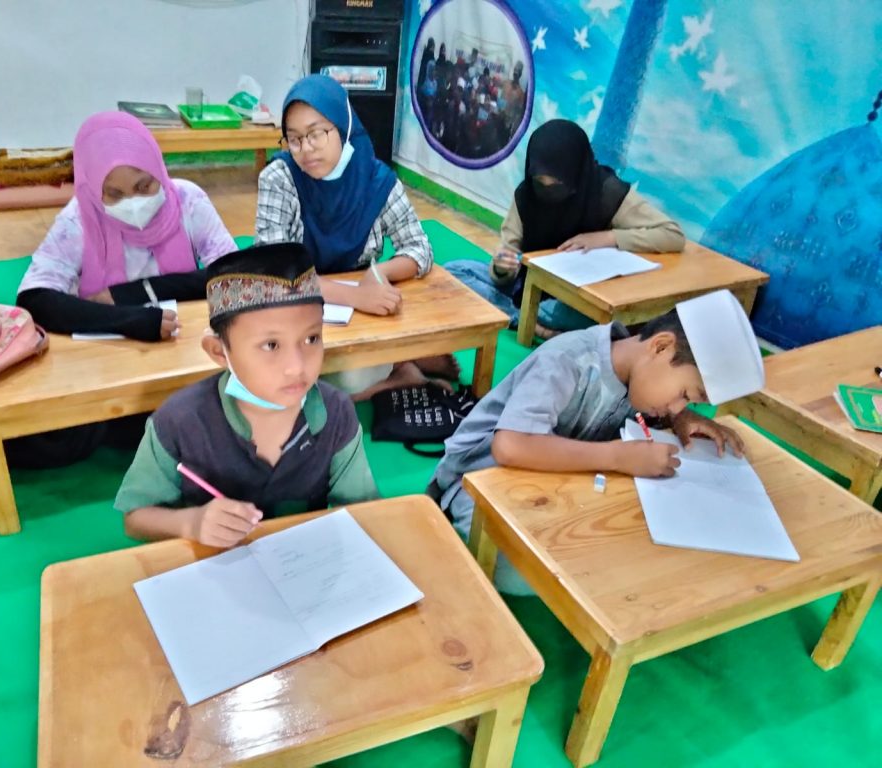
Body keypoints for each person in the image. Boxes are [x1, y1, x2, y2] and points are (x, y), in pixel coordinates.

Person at [427, 289, 765, 594]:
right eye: (685, 394)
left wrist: (681, 418)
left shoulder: (643, 376)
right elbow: (510, 446)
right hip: (479, 479)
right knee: (522, 573)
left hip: (556, 484)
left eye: (690, 402)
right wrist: (617, 457)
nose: (678, 406)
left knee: (623, 545)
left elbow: (657, 405)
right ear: (661, 346)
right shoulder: (568, 359)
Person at [115, 242, 380, 545]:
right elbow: (136, 517)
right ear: (218, 351)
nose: (296, 367)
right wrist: (191, 522)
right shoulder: (179, 420)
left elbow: (364, 510)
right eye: (271, 345)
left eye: (311, 338)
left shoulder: (335, 411)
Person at [255, 74, 458, 398]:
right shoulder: (280, 178)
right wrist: (354, 296)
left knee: (340, 377)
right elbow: (275, 271)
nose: (305, 149)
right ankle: (399, 374)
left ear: (343, 125)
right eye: (293, 139)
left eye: (316, 134)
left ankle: (395, 363)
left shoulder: (376, 180)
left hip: (359, 317)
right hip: (298, 306)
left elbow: (420, 248)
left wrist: (377, 274)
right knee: (271, 371)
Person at [446, 120, 685, 339]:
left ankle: (521, 318)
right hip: (529, 287)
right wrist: (501, 267)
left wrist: (608, 237)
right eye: (541, 182)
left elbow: (672, 235)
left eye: (557, 183)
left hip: (577, 299)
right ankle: (531, 324)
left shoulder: (606, 194)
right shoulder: (526, 195)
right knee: (455, 272)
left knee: (572, 314)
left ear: (576, 172)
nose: (547, 189)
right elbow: (506, 257)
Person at [17, 111, 237, 342]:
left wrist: (131, 293)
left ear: (158, 170)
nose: (134, 203)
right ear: (94, 190)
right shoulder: (78, 219)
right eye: (115, 194)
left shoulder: (187, 200)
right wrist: (129, 321)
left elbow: (236, 276)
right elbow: (34, 299)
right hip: (108, 351)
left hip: (185, 336)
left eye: (144, 186)